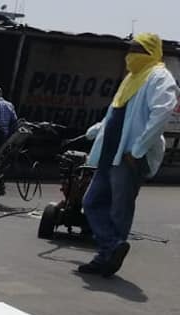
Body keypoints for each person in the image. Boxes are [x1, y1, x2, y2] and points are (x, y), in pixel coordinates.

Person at [78, 33, 178, 278]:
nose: (131, 54)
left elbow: (162, 112)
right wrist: (95, 131)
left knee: (119, 209)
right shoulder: (131, 78)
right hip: (109, 154)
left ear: (151, 52)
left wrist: (138, 150)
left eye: (137, 49)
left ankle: (106, 257)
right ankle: (111, 246)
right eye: (130, 49)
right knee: (91, 202)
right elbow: (116, 114)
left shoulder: (159, 77)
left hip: (128, 156)